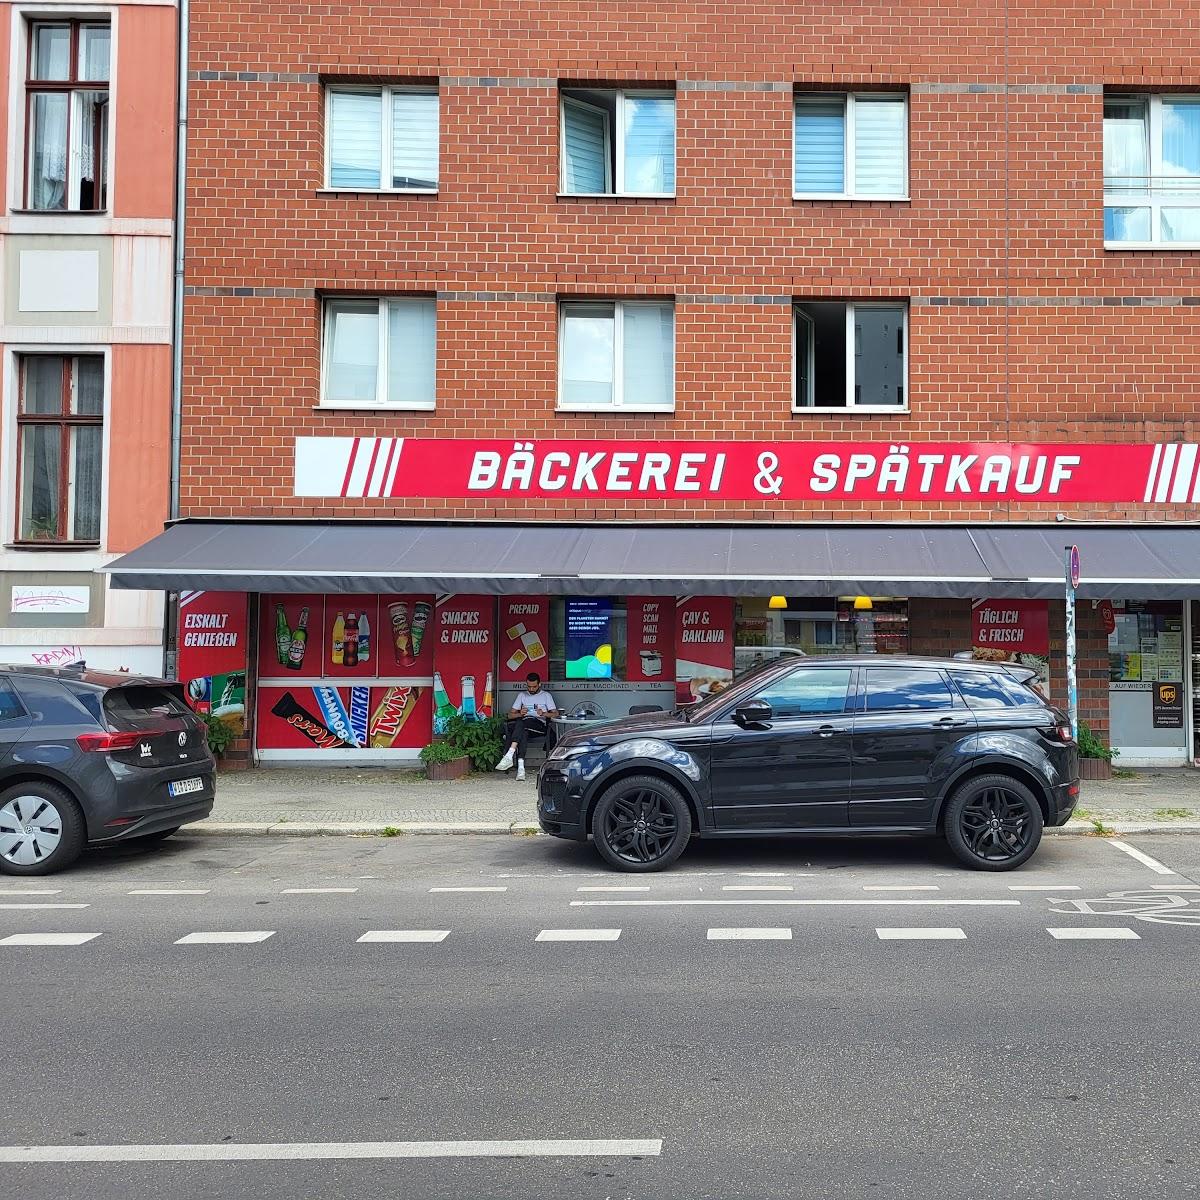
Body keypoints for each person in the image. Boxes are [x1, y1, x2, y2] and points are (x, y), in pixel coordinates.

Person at [496, 672, 558, 781]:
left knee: (521, 724)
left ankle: (509, 754)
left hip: (538, 725)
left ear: (539, 684)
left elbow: (556, 714)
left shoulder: (546, 696)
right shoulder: (522, 695)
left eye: (534, 687)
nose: (531, 689)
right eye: (529, 687)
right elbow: (510, 715)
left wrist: (543, 713)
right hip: (524, 724)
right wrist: (520, 713)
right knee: (523, 730)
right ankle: (521, 769)